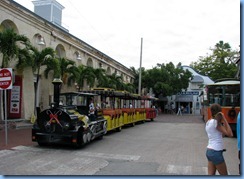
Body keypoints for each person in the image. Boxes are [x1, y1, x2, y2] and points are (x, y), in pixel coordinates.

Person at [205, 103, 233, 175]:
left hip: (209, 151)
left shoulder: (209, 122)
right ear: (220, 112)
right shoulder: (216, 123)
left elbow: (222, 135)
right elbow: (230, 134)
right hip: (216, 151)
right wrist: (224, 119)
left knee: (211, 174)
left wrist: (221, 122)